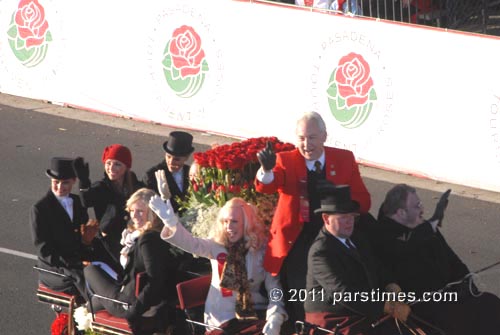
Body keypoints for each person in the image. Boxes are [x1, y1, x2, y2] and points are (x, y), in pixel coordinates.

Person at [255, 111, 371, 322]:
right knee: (301, 297)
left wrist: (338, 194)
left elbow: (364, 202)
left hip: (332, 237)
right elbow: (267, 185)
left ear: (324, 136)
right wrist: (266, 169)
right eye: (301, 138)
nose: (306, 144)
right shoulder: (285, 160)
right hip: (297, 240)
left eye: (312, 138)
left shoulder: (343, 159)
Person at [149, 196, 287, 335]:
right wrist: (171, 223)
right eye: (225, 221)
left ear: (247, 223)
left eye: (234, 221)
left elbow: (275, 289)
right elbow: (192, 244)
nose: (228, 227)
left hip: (254, 315)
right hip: (223, 319)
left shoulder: (261, 250)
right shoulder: (216, 245)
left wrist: (275, 317)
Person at [374, 184, 500, 335]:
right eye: (416, 206)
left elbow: (453, 261)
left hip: (451, 296)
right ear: (401, 213)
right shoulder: (384, 237)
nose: (422, 210)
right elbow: (407, 263)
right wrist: (427, 228)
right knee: (474, 317)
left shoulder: (423, 228)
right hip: (423, 307)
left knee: (489, 303)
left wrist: (467, 282)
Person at [304, 184, 415, 334]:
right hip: (335, 318)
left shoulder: (357, 237)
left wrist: (391, 284)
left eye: (352, 216)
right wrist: (388, 306)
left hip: (363, 310)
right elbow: (343, 293)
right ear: (326, 219)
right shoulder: (320, 252)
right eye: (343, 217)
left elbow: (376, 266)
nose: (350, 222)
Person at [84, 188, 181, 333]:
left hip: (128, 303)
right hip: (132, 293)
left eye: (141, 211)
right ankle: (85, 311)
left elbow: (156, 279)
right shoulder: (158, 234)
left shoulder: (147, 239)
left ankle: (84, 315)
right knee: (95, 301)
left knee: (90, 270)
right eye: (132, 210)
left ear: (153, 214)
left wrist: (135, 310)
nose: (135, 216)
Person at [30, 157, 99, 299]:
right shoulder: (40, 209)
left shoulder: (77, 202)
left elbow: (81, 237)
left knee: (103, 267)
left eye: (65, 183)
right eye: (56, 182)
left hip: (76, 259)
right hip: (54, 268)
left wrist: (87, 241)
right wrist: (76, 264)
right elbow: (44, 251)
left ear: (73, 181)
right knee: (84, 278)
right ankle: (94, 308)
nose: (60, 187)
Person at [73, 144, 144, 272]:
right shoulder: (101, 187)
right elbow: (86, 201)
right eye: (108, 163)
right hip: (109, 244)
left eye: (117, 164)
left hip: (132, 238)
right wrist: (84, 182)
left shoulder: (134, 185)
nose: (111, 168)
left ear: (126, 166)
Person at [143, 131, 194, 215]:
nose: (171, 162)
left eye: (177, 159)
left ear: (186, 158)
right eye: (168, 156)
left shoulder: (191, 172)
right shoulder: (152, 176)